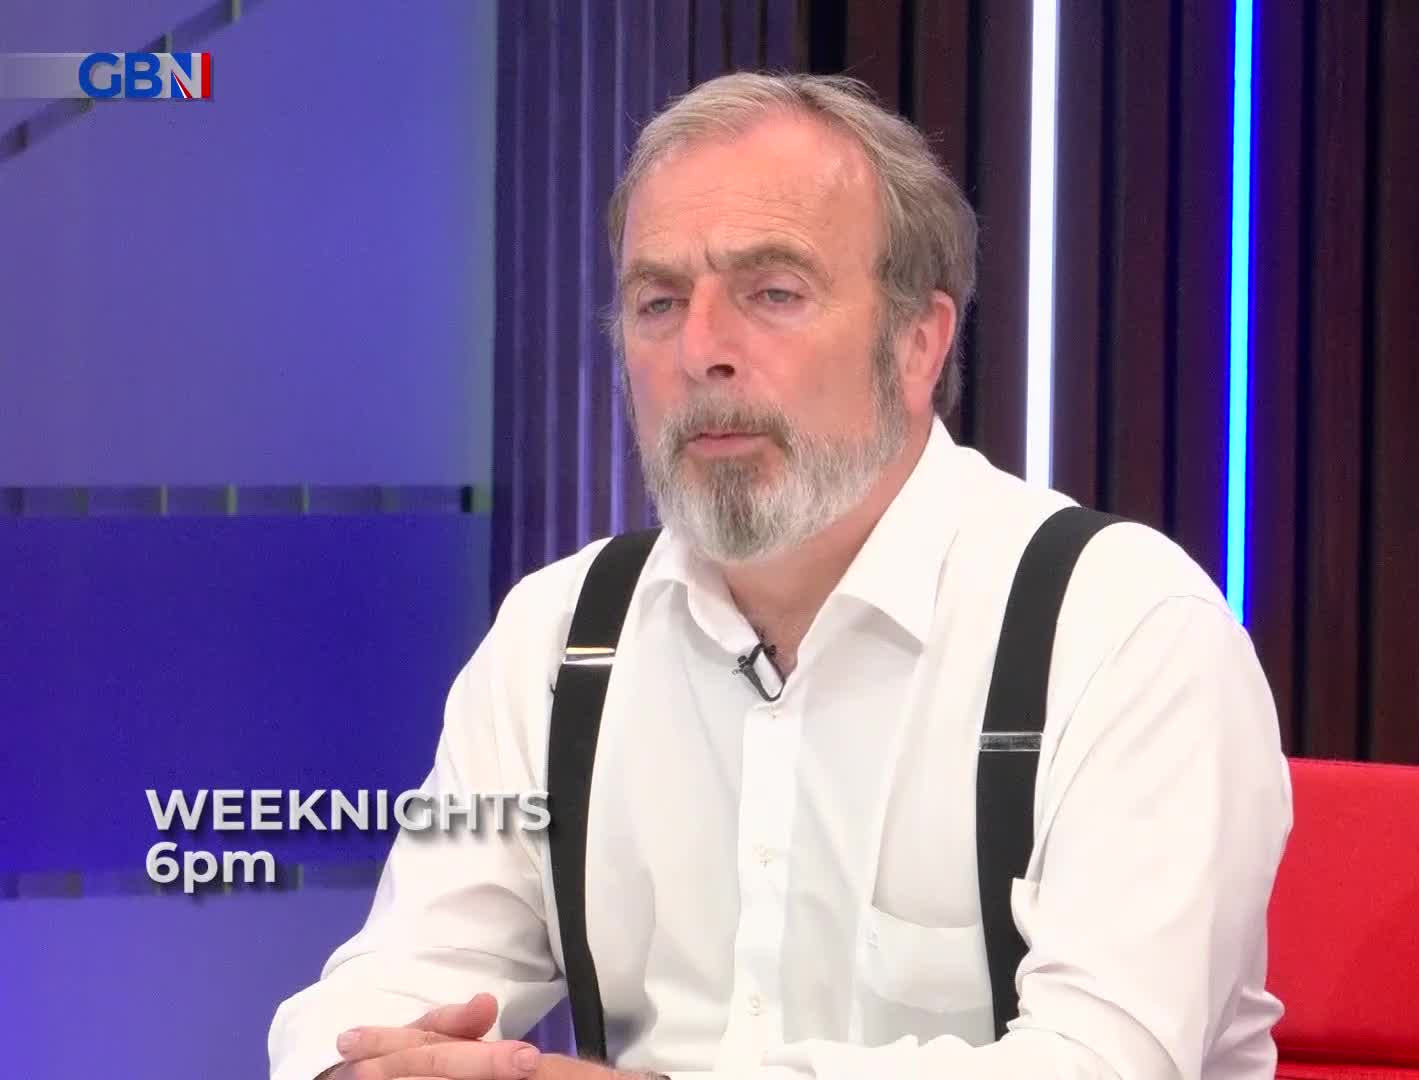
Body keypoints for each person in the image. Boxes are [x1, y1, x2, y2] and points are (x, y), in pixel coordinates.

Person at [267, 71, 1291, 1080]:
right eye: (658, 302)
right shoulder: (560, 636)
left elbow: (1103, 1064)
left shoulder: (1126, 634)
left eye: (773, 293)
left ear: (917, 343)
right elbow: (381, 986)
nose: (701, 350)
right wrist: (366, 1071)